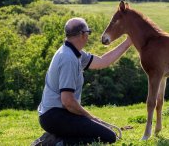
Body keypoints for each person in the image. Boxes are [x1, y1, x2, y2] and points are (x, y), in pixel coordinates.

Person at [33, 17, 132, 145]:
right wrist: (90, 116)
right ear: (83, 34)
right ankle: (53, 142)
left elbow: (102, 61)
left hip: (57, 114)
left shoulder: (75, 53)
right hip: (55, 116)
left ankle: (57, 137)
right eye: (88, 32)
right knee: (109, 137)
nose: (89, 35)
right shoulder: (68, 58)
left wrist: (128, 42)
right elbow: (67, 101)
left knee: (104, 133)